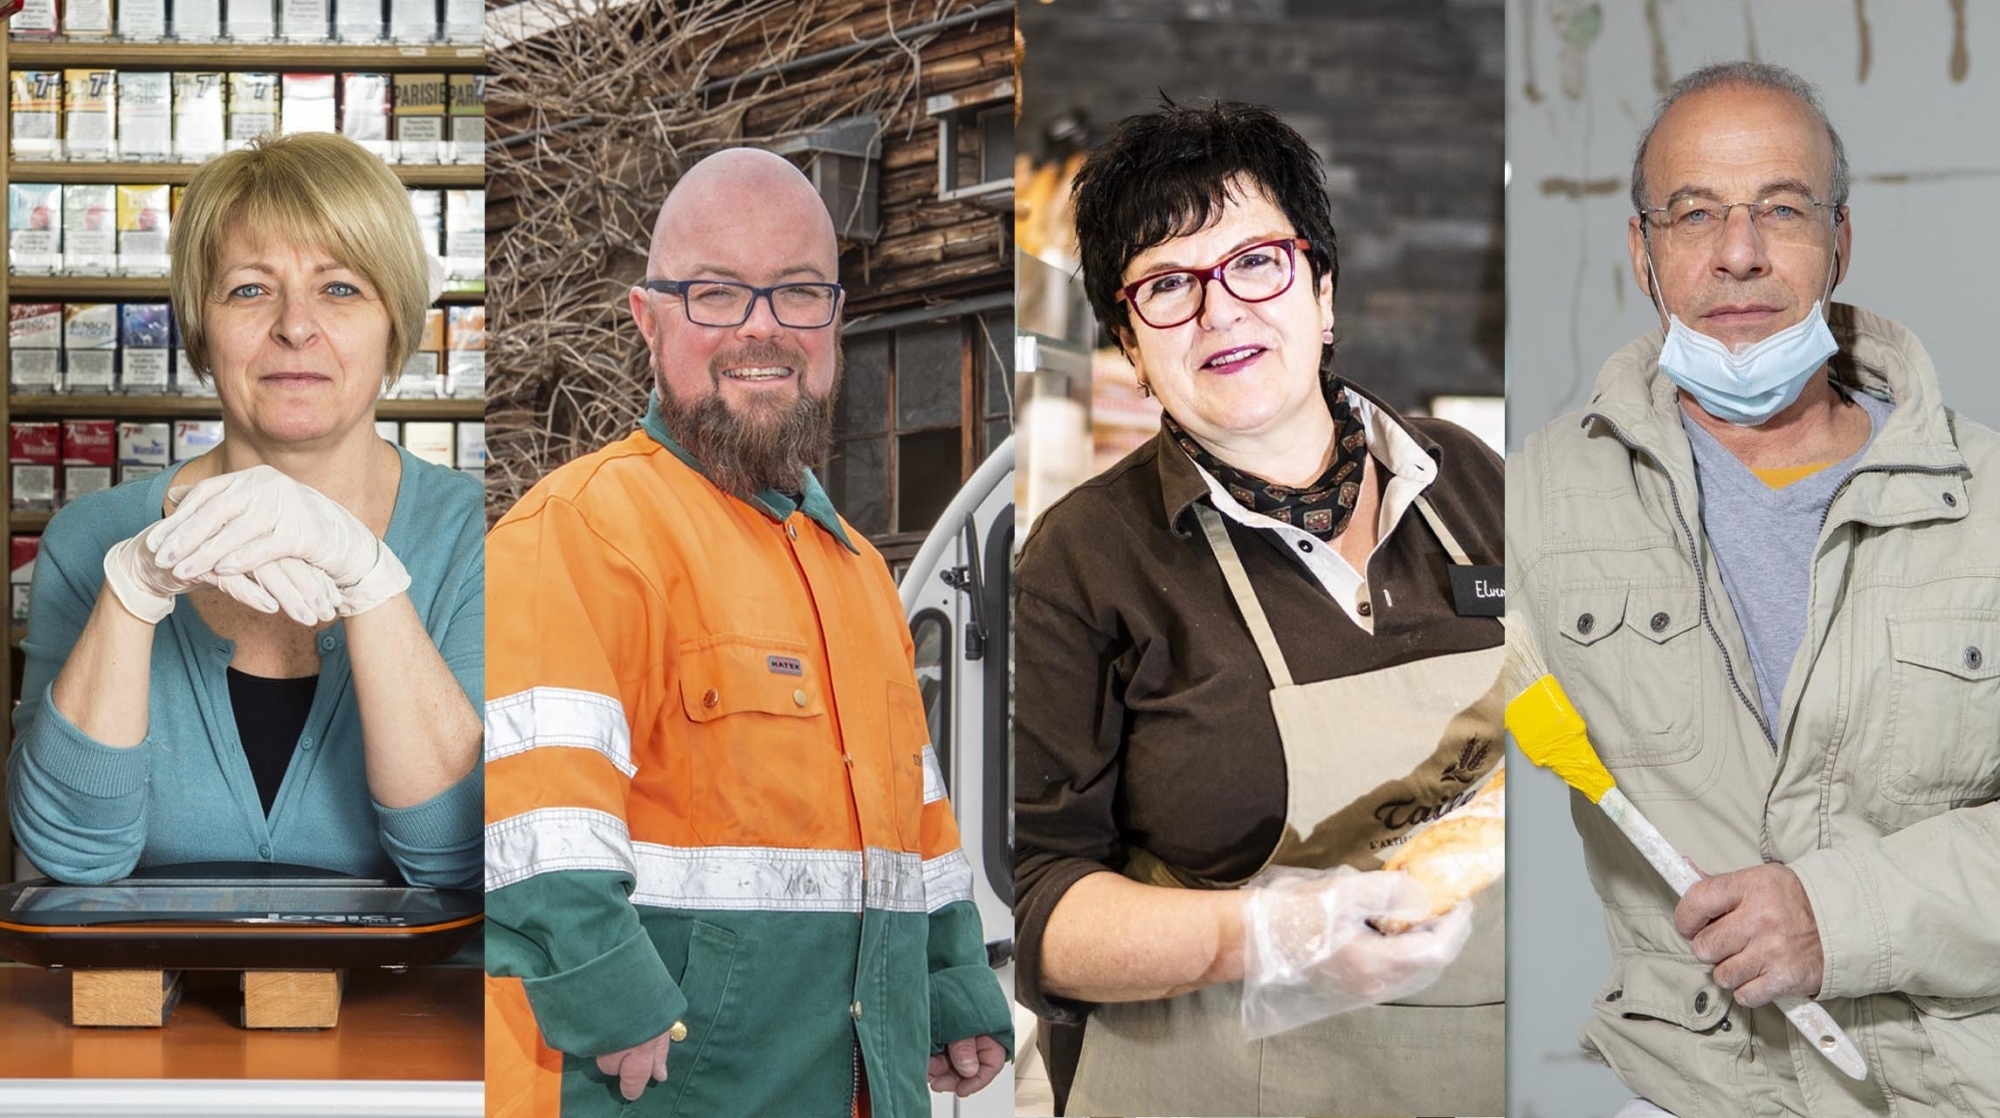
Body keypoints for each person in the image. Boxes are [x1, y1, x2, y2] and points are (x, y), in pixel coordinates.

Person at [1509, 61, 2000, 1117]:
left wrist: (1843, 910)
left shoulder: (1991, 500)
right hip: (1690, 1091)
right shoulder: (1529, 504)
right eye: (1693, 215)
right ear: (1641, 251)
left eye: (1780, 209)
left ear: (1838, 239)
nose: (1737, 253)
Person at [481, 148, 1012, 1118]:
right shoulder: (581, 531)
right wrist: (602, 984)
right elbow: (528, 813)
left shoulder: (856, 572)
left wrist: (949, 980)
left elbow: (917, 822)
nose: (761, 328)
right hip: (662, 1087)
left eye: (797, 293)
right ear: (648, 320)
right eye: (716, 293)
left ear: (835, 322)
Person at [1013, 101, 1506, 1116]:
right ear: (1128, 347)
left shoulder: (1472, 481)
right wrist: (1261, 936)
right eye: (1165, 286)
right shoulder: (1081, 559)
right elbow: (1034, 900)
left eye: (1255, 262)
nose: (1218, 310)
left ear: (1321, 291)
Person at [6, 132, 484, 889]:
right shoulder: (90, 540)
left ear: (398, 320)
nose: (296, 325)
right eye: (250, 289)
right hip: (145, 1002)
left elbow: (459, 859)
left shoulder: (478, 538)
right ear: (201, 328)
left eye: (341, 288)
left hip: (409, 1003)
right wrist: (131, 593)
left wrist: (369, 580)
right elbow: (71, 857)